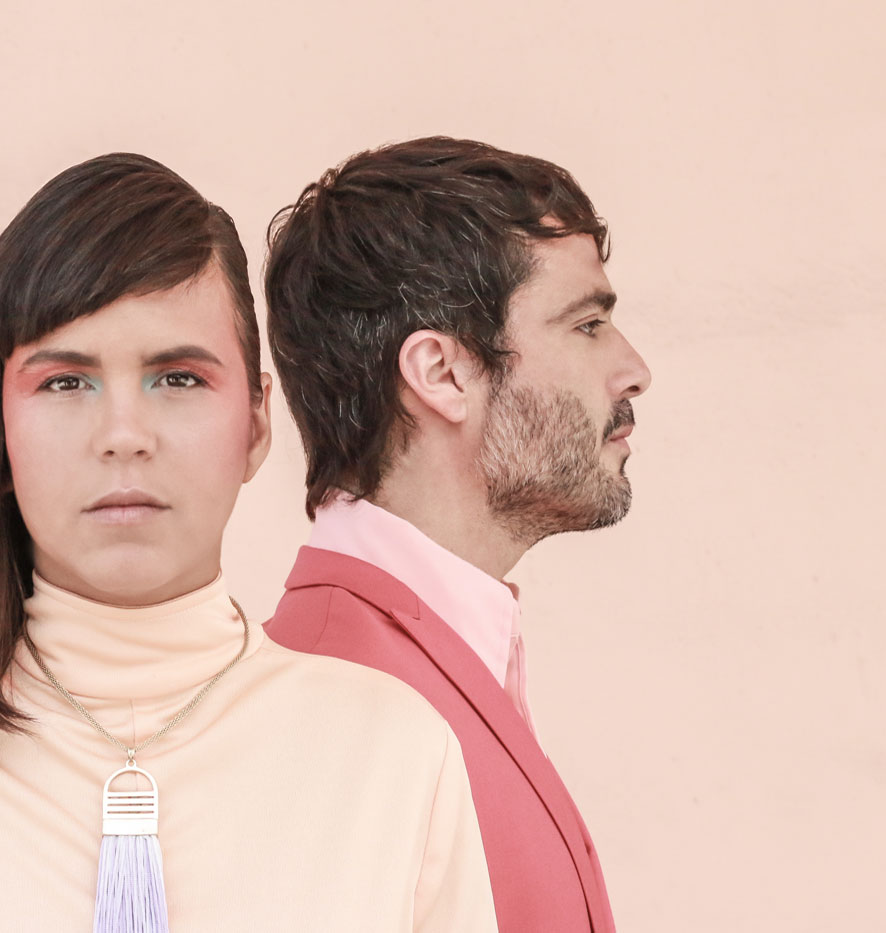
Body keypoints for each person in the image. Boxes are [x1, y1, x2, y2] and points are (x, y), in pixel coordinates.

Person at [0, 152, 497, 932]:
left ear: (256, 423)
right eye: (65, 381)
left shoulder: (395, 756)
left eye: (177, 378)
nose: (123, 434)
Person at [264, 137, 651, 933]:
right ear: (442, 374)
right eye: (586, 324)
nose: (633, 369)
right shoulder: (334, 712)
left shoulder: (427, 657)